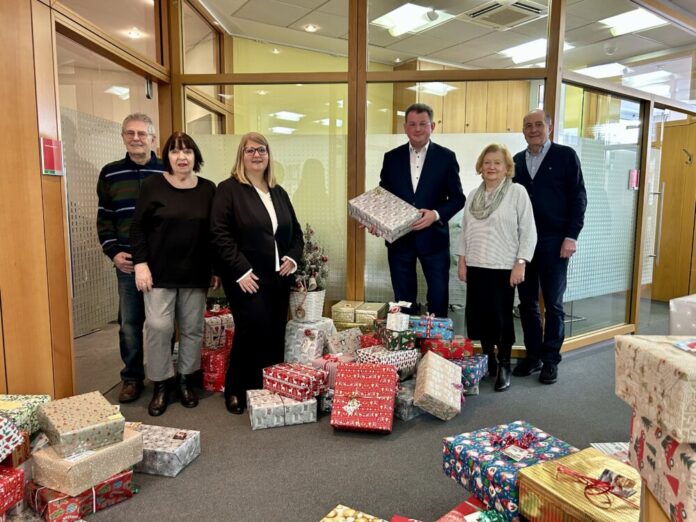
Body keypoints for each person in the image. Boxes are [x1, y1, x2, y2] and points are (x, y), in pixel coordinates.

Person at [210, 132, 303, 414]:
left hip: (278, 276)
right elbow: (219, 233)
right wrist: (240, 271)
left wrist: (293, 258)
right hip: (246, 277)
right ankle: (236, 388)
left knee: (274, 331)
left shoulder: (278, 191)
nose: (257, 155)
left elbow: (295, 233)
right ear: (241, 155)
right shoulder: (228, 189)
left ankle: (266, 386)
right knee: (250, 330)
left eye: (261, 150)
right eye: (250, 150)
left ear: (268, 155)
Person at [130, 132, 218, 416]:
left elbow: (215, 233)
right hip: (158, 273)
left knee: (192, 329)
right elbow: (137, 228)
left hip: (195, 271)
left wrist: (216, 268)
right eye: (176, 152)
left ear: (196, 156)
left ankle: (184, 379)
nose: (182, 157)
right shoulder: (152, 186)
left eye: (188, 152)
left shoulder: (208, 189)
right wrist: (140, 264)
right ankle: (160, 382)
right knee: (158, 327)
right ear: (166, 156)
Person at [512, 109, 587, 385]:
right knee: (528, 303)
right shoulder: (517, 161)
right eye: (528, 125)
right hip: (524, 244)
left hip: (555, 241)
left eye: (538, 125)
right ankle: (533, 356)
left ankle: (551, 359)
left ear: (550, 128)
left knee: (553, 304)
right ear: (523, 131)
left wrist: (572, 235)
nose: (533, 129)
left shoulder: (565, 156)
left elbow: (579, 197)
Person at [96, 113, 165, 404]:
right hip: (127, 261)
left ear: (153, 138)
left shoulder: (166, 171)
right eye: (130, 133)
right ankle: (132, 377)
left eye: (142, 133)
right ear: (123, 137)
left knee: (162, 322)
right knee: (129, 323)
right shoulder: (110, 173)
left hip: (162, 261)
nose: (136, 138)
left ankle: (164, 376)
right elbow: (104, 219)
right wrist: (113, 252)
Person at [457, 144, 537, 392]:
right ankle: (489, 360)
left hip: (503, 267)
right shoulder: (473, 195)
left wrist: (521, 262)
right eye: (487, 162)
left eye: (497, 163)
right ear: (481, 166)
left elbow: (528, 231)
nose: (491, 167)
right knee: (479, 317)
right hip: (477, 264)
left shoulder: (517, 192)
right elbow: (465, 229)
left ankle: (504, 364)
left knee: (500, 318)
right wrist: (462, 260)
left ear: (506, 168)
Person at [376, 103, 465, 318]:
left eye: (423, 124)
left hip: (434, 239)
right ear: (405, 127)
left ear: (432, 126)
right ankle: (407, 347)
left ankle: (433, 346)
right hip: (399, 239)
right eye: (412, 124)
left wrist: (435, 215)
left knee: (438, 296)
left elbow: (457, 198)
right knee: (403, 299)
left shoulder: (446, 157)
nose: (418, 129)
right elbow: (383, 196)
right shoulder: (392, 157)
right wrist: (375, 220)